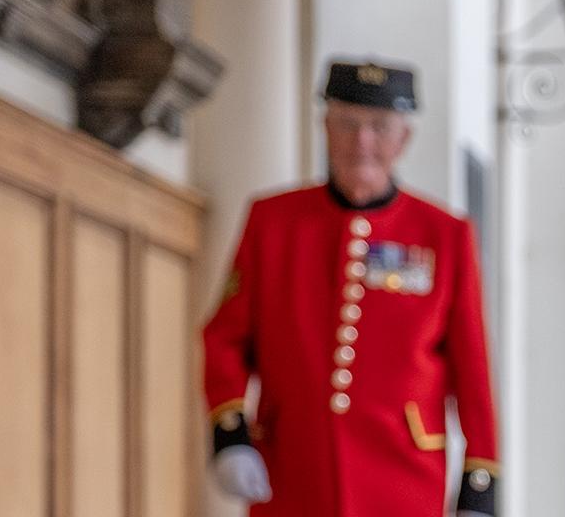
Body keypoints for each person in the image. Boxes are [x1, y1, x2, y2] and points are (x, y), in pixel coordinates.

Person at [201, 59, 500, 517]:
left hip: (404, 477)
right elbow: (224, 337)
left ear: (404, 139)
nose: (363, 141)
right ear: (325, 127)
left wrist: (480, 483)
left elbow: (472, 367)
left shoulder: (445, 235)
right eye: (348, 124)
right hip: (294, 471)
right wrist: (230, 433)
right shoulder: (273, 222)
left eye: (379, 126)